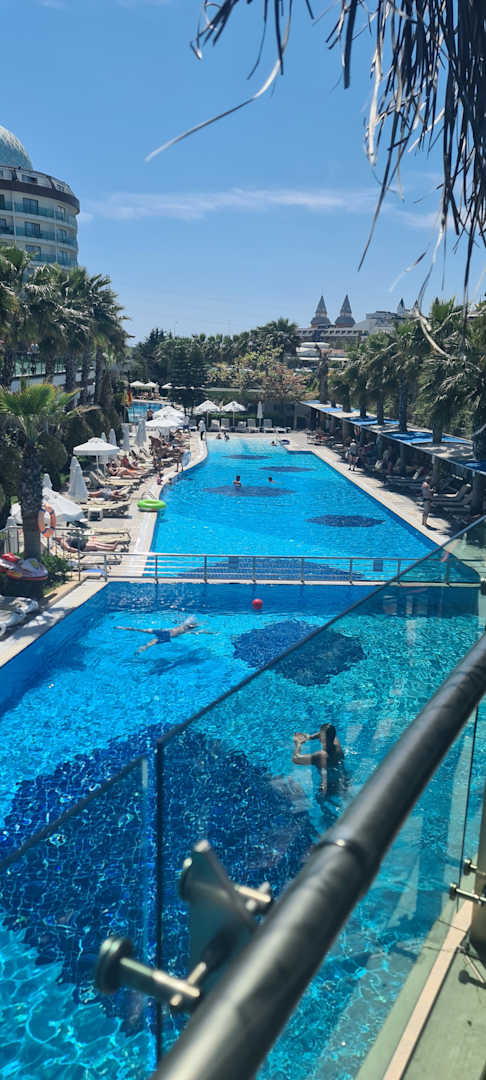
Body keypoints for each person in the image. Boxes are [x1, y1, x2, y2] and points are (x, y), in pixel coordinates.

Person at [292, 724, 344, 796]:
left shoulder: (321, 755)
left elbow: (295, 759)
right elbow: (327, 733)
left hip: (329, 787)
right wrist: (309, 737)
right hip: (343, 779)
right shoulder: (337, 744)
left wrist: (298, 744)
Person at [116, 616, 202, 653]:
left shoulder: (183, 626)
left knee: (142, 632)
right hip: (166, 635)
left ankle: (123, 628)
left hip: (165, 633)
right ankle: (139, 650)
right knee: (149, 642)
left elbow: (192, 627)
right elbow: (197, 631)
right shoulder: (185, 630)